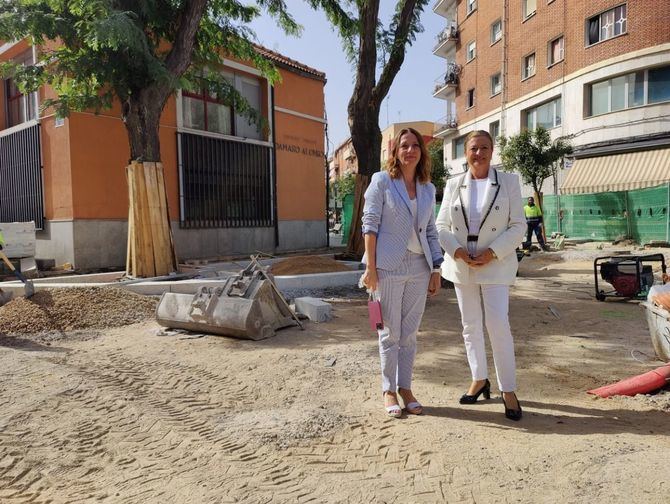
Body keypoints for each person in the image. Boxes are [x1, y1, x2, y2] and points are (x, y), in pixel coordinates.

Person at [435, 130, 526, 421]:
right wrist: (458, 252)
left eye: (484, 147)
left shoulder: (509, 181)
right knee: (470, 325)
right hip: (462, 265)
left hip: (495, 264)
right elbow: (441, 226)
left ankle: (508, 389)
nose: (479, 153)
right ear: (466, 152)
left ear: (492, 150)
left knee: (498, 324)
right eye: (473, 148)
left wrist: (493, 252)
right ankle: (478, 378)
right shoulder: (453, 185)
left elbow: (518, 226)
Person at [361, 128, 443, 418]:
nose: (410, 151)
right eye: (404, 146)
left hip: (420, 268)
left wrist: (436, 267)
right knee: (388, 332)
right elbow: (369, 225)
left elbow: (431, 231)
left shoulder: (428, 189)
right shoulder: (382, 181)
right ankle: (388, 390)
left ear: (422, 152)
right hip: (387, 266)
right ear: (395, 152)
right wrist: (370, 268)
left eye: (415, 146)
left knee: (409, 334)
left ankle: (406, 388)